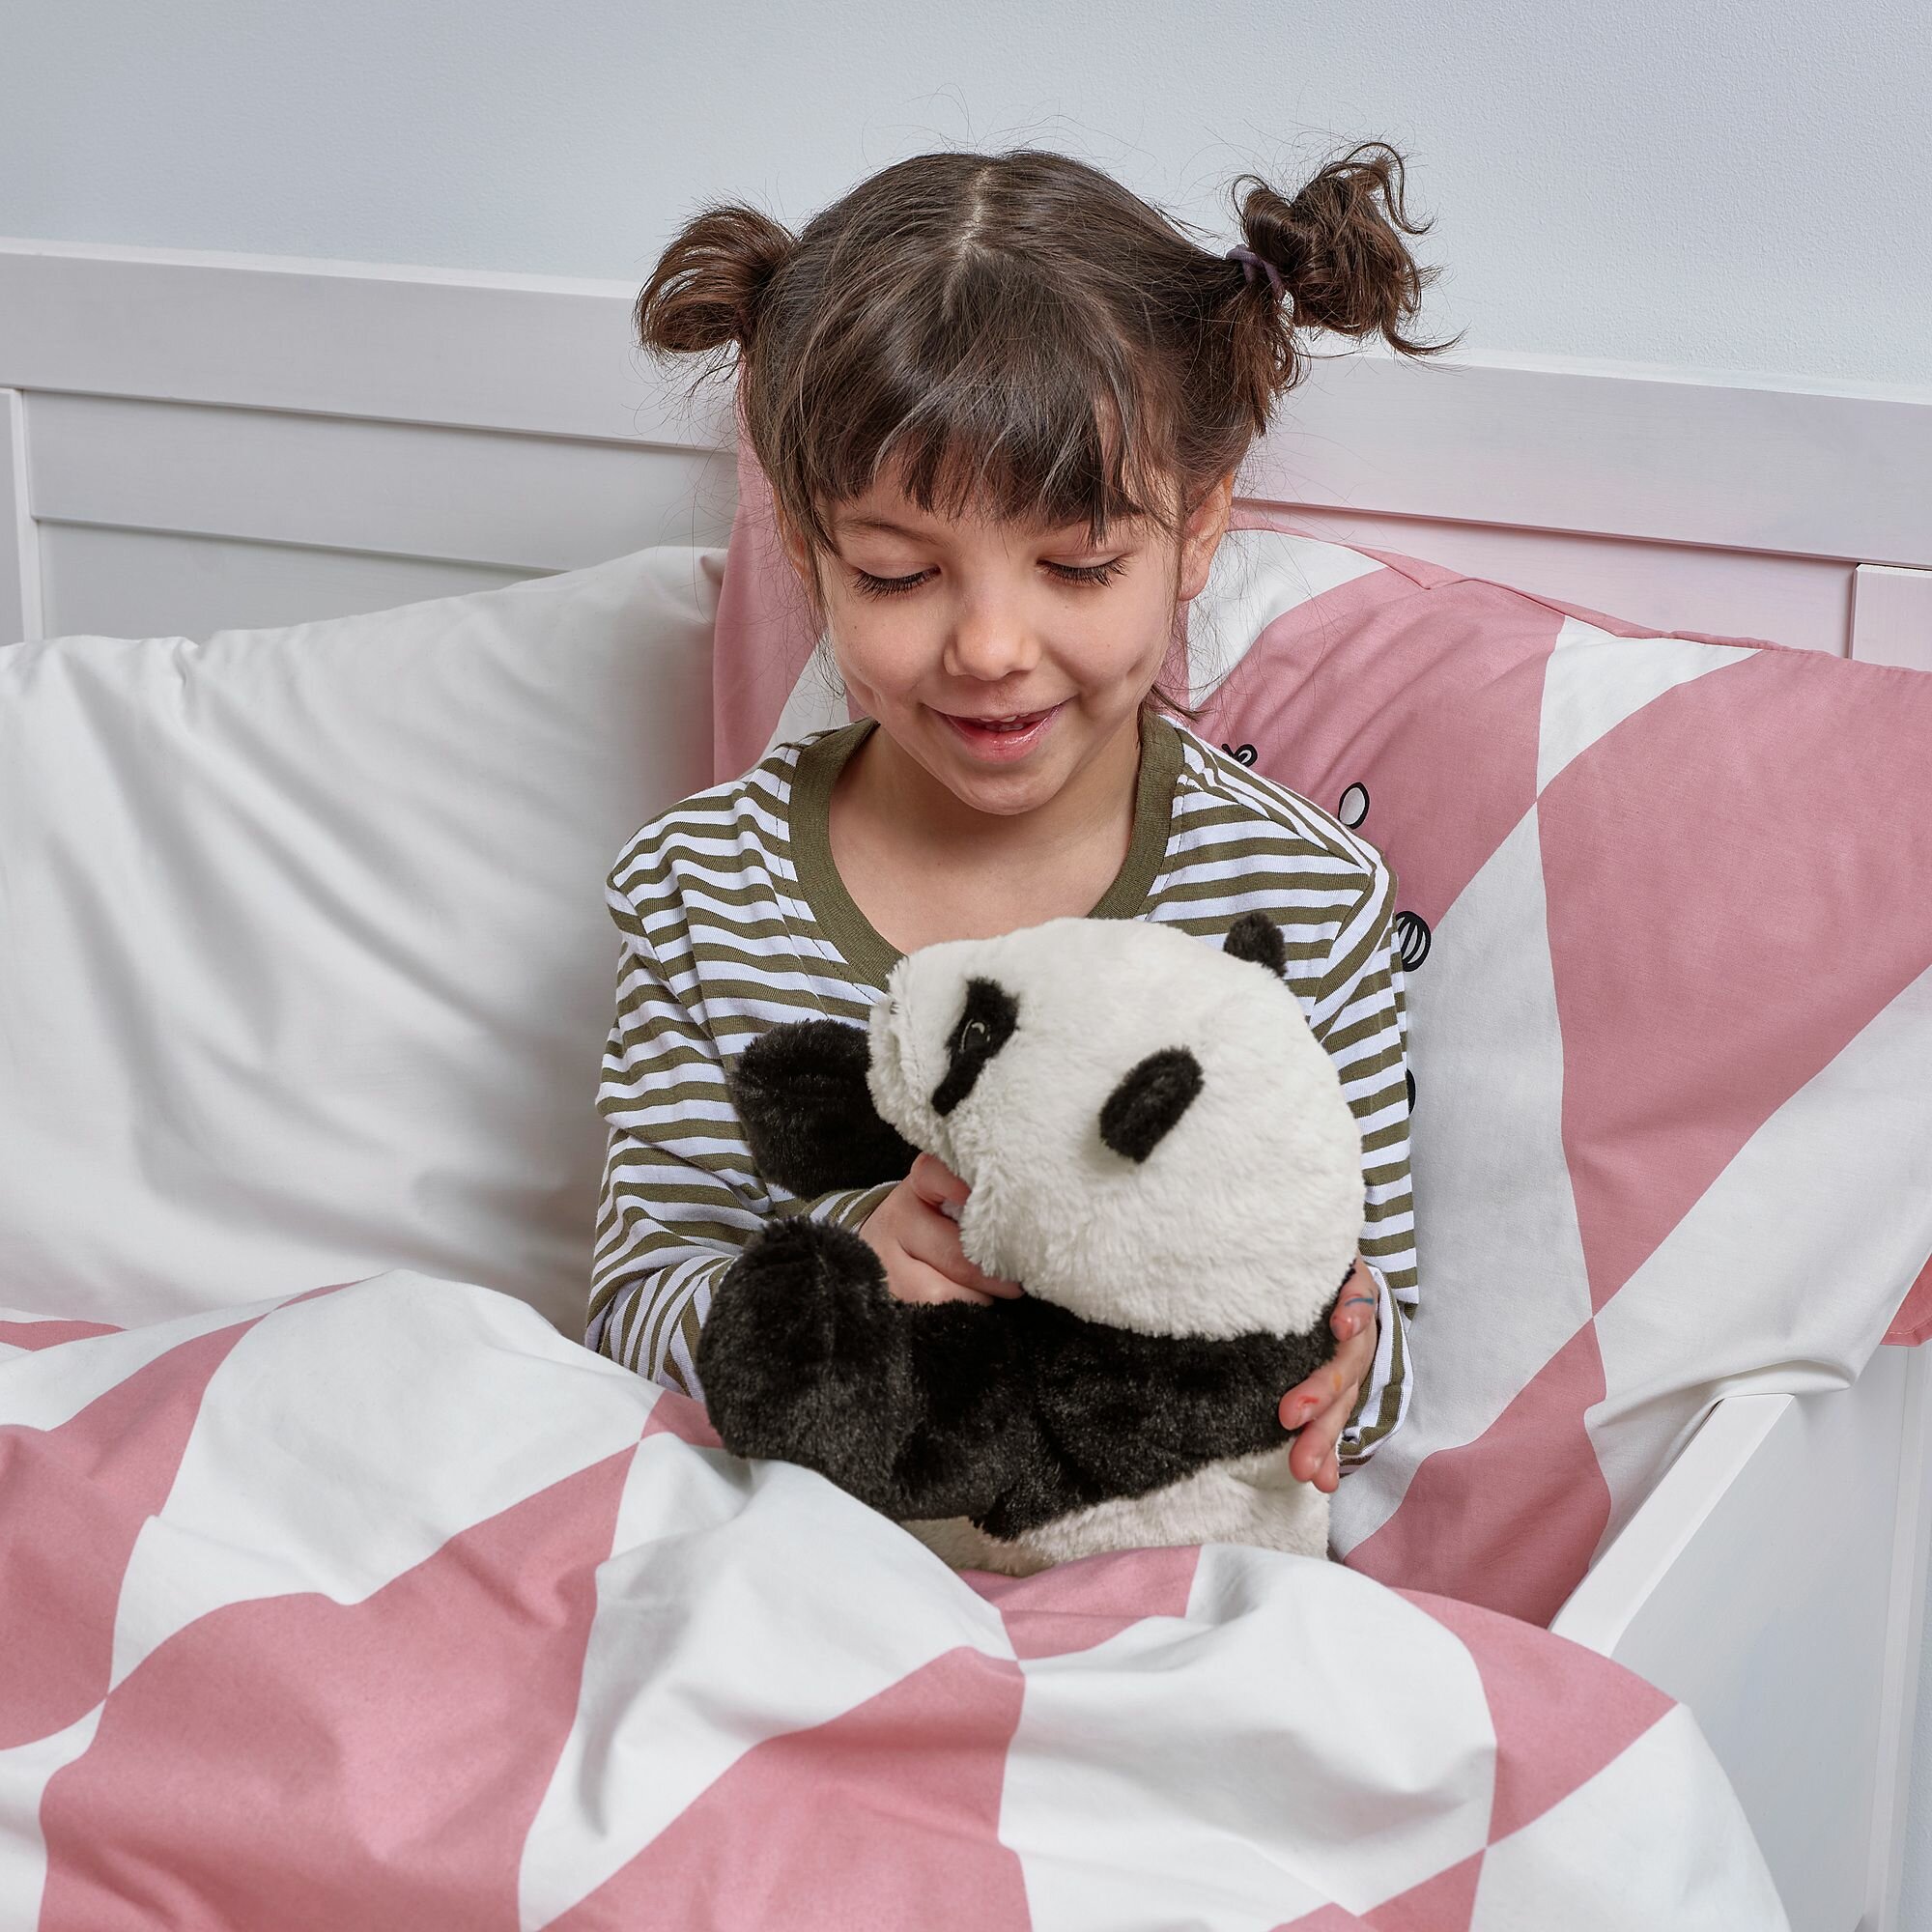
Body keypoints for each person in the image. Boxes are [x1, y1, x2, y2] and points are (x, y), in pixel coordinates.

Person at [589, 142, 1455, 1494]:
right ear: (810, 552)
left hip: (1161, 1570)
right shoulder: (705, 889)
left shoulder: (1296, 894)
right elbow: (634, 1311)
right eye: (897, 574)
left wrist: (1342, 1361)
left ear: (1198, 530)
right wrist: (844, 1268)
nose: (990, 648)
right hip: (797, 1563)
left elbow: (1375, 1322)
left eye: (1080, 566)